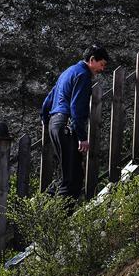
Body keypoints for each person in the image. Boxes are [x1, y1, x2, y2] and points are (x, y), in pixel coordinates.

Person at [40, 44, 110, 198]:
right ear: (92, 60)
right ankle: (62, 217)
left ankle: (44, 208)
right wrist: (82, 137)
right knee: (72, 178)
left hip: (55, 123)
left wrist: (46, 120)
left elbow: (48, 100)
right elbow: (76, 108)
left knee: (65, 173)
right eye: (101, 64)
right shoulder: (83, 75)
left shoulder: (68, 72)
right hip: (66, 125)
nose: (102, 69)